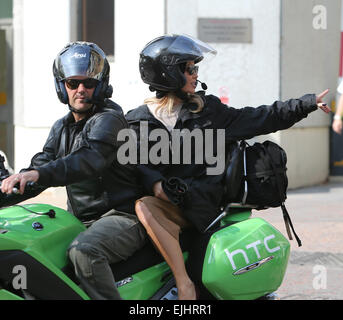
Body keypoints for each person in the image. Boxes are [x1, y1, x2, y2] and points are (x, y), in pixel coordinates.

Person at [125, 34, 331, 300]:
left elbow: (259, 117)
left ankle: (183, 285)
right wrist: (154, 182)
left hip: (201, 208)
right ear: (168, 73)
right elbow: (131, 165)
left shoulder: (208, 112)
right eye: (189, 68)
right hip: (163, 212)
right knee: (142, 206)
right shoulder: (136, 122)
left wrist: (305, 104)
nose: (195, 75)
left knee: (145, 206)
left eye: (195, 68)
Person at [0, 41, 147, 300]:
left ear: (100, 85)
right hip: (79, 220)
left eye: (88, 83)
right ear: (62, 86)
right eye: (72, 83)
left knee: (84, 251)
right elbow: (39, 169)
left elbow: (89, 159)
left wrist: (39, 174)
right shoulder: (62, 127)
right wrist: (11, 185)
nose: (80, 90)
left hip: (121, 217)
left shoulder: (109, 119)